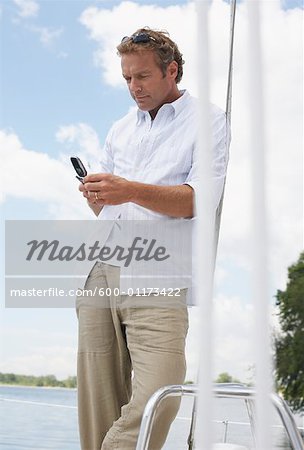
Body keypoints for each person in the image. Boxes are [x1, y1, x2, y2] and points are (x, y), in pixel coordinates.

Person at [76, 27, 228, 450]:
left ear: (171, 71)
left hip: (160, 274)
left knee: (158, 396)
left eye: (141, 77)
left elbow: (199, 200)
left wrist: (129, 189)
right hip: (103, 269)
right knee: (98, 400)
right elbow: (111, 208)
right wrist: (99, 195)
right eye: (127, 78)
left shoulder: (209, 121)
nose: (133, 88)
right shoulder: (120, 128)